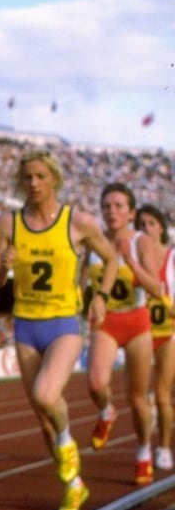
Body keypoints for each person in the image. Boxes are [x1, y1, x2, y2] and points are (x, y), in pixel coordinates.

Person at [0, 150, 117, 510]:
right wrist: (2, 268)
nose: (34, 184)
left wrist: (101, 297)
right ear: (19, 182)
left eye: (41, 176)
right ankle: (73, 484)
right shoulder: (8, 224)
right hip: (25, 323)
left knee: (47, 394)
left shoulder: (78, 222)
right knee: (43, 416)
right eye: (27, 177)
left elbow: (112, 260)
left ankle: (67, 445)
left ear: (54, 179)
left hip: (64, 321)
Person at [85, 183, 161, 487]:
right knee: (96, 382)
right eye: (106, 206)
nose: (111, 211)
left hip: (137, 322)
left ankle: (143, 451)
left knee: (138, 398)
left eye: (118, 206)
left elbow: (156, 289)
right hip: (107, 321)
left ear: (131, 213)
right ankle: (106, 411)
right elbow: (81, 281)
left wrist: (129, 261)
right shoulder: (94, 241)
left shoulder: (142, 242)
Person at [135, 204, 175, 471]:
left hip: (170, 333)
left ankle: (163, 448)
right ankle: (144, 447)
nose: (146, 229)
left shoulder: (173, 257)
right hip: (142, 334)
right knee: (136, 395)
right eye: (141, 225)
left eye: (151, 223)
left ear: (161, 227)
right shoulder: (136, 257)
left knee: (162, 395)